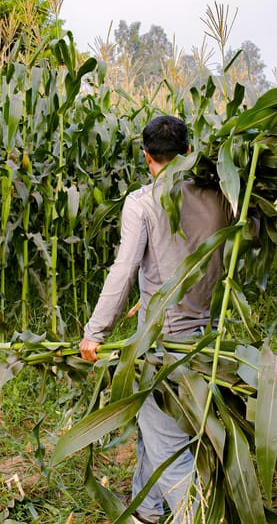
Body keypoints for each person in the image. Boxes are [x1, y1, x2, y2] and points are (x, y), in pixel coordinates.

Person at [78, 115, 232, 524]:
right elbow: (247, 231)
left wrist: (96, 332)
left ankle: (191, 518)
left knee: (169, 449)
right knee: (155, 426)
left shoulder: (142, 202)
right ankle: (144, 512)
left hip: (165, 347)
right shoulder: (221, 197)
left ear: (146, 157)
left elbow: (123, 270)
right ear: (187, 153)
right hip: (205, 338)